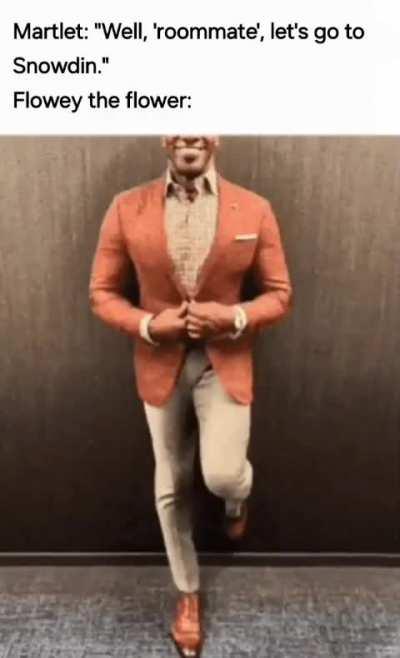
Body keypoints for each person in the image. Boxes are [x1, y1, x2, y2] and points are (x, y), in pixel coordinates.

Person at [89, 136, 292, 657]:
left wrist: (235, 316)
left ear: (216, 136)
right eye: (176, 124)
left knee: (223, 474)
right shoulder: (125, 207)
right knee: (171, 485)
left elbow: (279, 294)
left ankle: (236, 498)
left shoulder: (255, 208)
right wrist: (148, 325)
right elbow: (102, 294)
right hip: (160, 364)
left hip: (225, 363)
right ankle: (187, 593)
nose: (189, 135)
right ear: (164, 136)